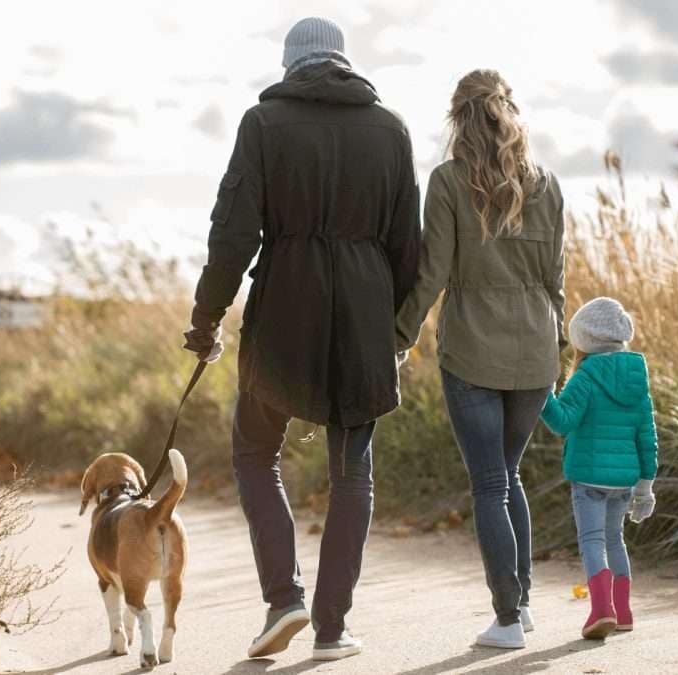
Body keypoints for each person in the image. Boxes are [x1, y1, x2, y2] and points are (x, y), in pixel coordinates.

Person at [183, 16, 421, 662]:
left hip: (284, 308)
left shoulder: (263, 125)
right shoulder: (391, 130)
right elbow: (409, 250)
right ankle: (331, 627)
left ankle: (282, 597)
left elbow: (232, 234)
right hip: (364, 317)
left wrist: (206, 320)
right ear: (344, 61)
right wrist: (391, 328)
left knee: (256, 451)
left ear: (290, 65)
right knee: (353, 474)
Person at [395, 69, 565, 650]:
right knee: (507, 474)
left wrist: (399, 335)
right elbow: (556, 281)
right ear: (508, 113)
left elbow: (432, 274)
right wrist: (560, 348)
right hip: (537, 351)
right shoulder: (548, 184)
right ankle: (522, 605)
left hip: (472, 350)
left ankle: (508, 617)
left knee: (490, 482)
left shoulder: (446, 182)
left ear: (457, 118)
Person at [538, 297, 659, 639]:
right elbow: (646, 434)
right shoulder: (637, 378)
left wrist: (543, 394)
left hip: (589, 477)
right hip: (625, 480)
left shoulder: (586, 376)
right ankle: (622, 612)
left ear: (584, 341)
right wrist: (646, 485)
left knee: (592, 541)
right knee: (615, 540)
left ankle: (601, 609)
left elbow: (562, 423)